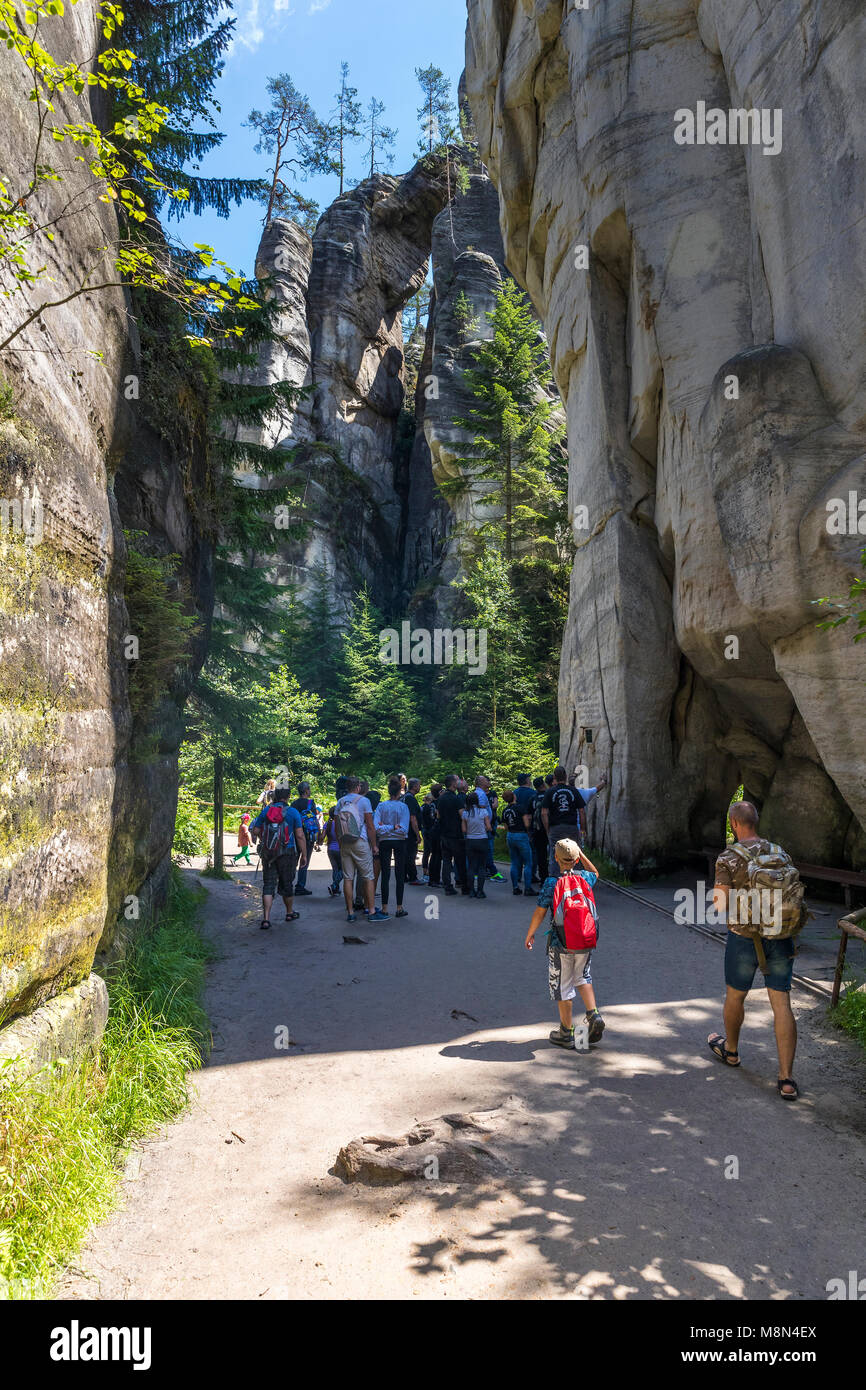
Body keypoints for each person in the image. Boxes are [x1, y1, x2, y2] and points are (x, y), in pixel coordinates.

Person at [709, 801, 805, 1101]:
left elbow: (720, 905)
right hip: (781, 936)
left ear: (733, 823)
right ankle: (786, 1078)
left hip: (744, 938)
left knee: (736, 996)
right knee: (782, 1004)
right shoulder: (780, 852)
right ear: (756, 821)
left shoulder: (728, 858)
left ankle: (732, 1051)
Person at [525, 837, 605, 1048]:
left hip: (561, 943)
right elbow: (596, 872)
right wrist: (581, 855)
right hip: (585, 940)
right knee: (583, 977)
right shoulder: (586, 878)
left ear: (555, 858)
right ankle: (593, 1014)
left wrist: (530, 934)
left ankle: (566, 1032)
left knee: (563, 985)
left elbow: (540, 912)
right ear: (577, 858)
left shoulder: (552, 883)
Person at [249, 787, 307, 930]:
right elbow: (299, 835)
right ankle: (289, 913)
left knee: (268, 884)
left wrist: (266, 839)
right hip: (288, 852)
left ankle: (266, 919)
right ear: (288, 796)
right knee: (287, 883)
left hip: (269, 853)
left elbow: (255, 830)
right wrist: (304, 854)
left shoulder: (266, 811)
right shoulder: (293, 812)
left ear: (274, 796)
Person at [334, 776, 388, 924]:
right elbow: (370, 826)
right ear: (358, 787)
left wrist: (340, 843)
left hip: (345, 843)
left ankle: (350, 913)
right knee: (368, 876)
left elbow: (337, 825)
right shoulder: (364, 801)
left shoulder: (340, 802)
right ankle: (371, 911)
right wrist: (374, 845)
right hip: (360, 841)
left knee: (348, 877)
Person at [373, 775, 411, 917]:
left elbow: (377, 827)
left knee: (385, 875)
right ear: (399, 791)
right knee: (399, 873)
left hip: (385, 841)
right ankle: (399, 907)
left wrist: (386, 827)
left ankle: (384, 908)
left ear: (389, 791)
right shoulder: (403, 807)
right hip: (400, 841)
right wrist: (395, 827)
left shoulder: (381, 806)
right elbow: (403, 829)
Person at [438, 773, 468, 896]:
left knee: (446, 861)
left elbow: (438, 815)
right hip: (456, 834)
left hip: (444, 833)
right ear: (453, 784)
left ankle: (447, 887)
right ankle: (465, 887)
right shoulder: (456, 799)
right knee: (460, 861)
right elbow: (463, 815)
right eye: (457, 781)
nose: (459, 782)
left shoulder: (441, 798)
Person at [502, 789, 534, 895]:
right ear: (514, 797)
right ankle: (528, 888)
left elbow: (506, 826)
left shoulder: (505, 810)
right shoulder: (520, 808)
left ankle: (515, 887)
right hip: (521, 835)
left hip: (510, 835)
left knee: (514, 862)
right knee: (528, 863)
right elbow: (526, 824)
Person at [291, 782, 321, 895]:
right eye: (309, 789)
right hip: (308, 836)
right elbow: (314, 819)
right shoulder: (310, 803)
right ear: (306, 790)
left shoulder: (294, 804)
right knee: (304, 861)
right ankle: (300, 886)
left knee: (294, 860)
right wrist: (319, 835)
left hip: (295, 835)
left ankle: (288, 883)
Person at [461, 790, 492, 898]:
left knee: (471, 866)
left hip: (470, 840)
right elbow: (488, 827)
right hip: (482, 839)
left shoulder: (465, 813)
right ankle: (480, 891)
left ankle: (471, 891)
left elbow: (464, 830)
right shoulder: (483, 812)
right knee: (481, 867)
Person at [403, 777, 423, 885]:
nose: (420, 787)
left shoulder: (405, 797)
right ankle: (412, 877)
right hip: (410, 832)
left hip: (405, 831)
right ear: (414, 786)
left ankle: (404, 876)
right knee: (411, 854)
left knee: (407, 854)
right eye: (419, 785)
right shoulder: (410, 798)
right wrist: (417, 834)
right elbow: (412, 818)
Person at [530, 776, 548, 884]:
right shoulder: (549, 795)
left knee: (541, 855)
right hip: (550, 828)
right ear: (543, 785)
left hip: (537, 829)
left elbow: (528, 815)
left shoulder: (533, 798)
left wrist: (529, 830)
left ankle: (543, 879)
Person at [322, 806, 343, 897]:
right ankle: (334, 885)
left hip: (330, 849)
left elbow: (322, 837)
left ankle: (335, 889)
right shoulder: (342, 823)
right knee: (343, 869)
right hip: (341, 849)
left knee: (335, 869)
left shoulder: (328, 824)